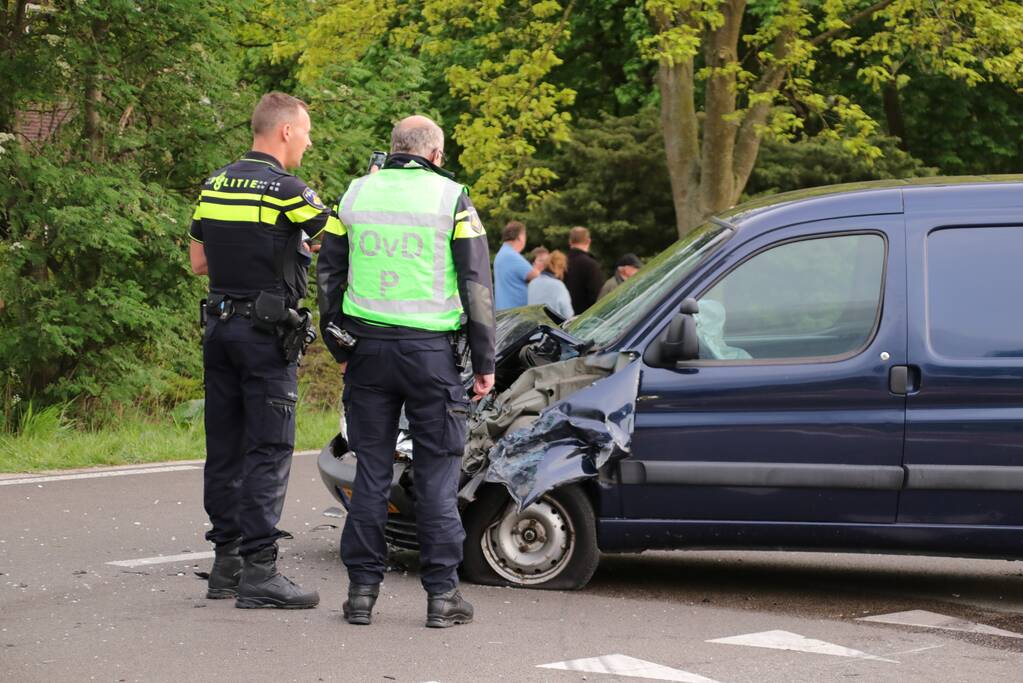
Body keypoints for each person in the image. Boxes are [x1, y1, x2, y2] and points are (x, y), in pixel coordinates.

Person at [316, 115, 496, 628]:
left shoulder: (355, 194)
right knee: (439, 473)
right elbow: (476, 283)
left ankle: (360, 595)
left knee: (372, 472)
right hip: (430, 355)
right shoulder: (451, 198)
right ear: (436, 155)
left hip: (368, 352)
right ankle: (442, 597)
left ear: (393, 148)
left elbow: (329, 273)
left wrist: (338, 343)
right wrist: (484, 362)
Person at [189, 92, 331, 609]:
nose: (310, 141)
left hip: (219, 330)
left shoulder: (215, 183)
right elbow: (338, 240)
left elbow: (199, 262)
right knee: (269, 449)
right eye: (307, 131)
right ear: (286, 131)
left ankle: (225, 566)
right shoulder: (288, 189)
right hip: (265, 338)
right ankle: (260, 573)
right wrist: (296, 247)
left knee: (224, 447)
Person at [493, 220, 546, 309]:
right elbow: (537, 277)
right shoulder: (511, 256)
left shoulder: (501, 253)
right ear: (520, 237)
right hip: (515, 315)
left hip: (504, 312)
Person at [563, 226, 604, 314]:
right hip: (585, 319)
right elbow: (597, 296)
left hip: (562, 319)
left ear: (570, 241)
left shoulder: (561, 263)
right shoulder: (591, 265)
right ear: (588, 241)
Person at [527, 249, 573, 320]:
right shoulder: (558, 285)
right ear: (560, 267)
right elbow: (568, 314)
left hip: (536, 326)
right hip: (554, 328)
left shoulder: (532, 283)